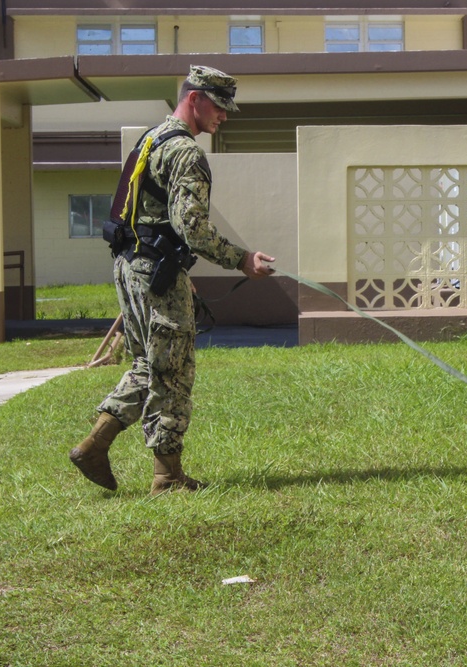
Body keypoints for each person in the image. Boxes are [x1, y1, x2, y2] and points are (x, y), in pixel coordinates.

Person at [69, 65, 275, 495]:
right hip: (155, 274)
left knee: (149, 364)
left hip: (132, 267)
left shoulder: (151, 139)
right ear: (195, 99)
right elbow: (191, 227)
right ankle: (167, 479)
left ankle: (94, 445)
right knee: (174, 372)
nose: (224, 116)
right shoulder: (185, 152)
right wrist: (241, 260)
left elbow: (146, 216)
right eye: (219, 107)